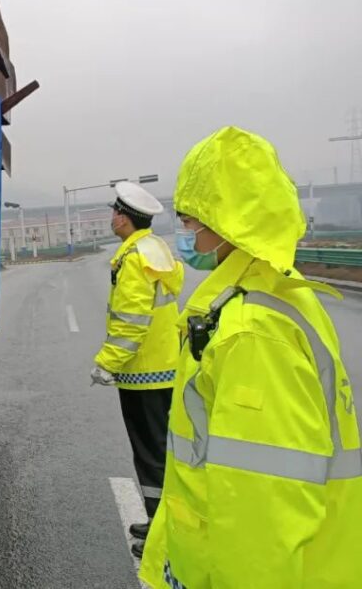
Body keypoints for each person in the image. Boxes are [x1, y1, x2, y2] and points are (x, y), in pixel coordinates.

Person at [140, 127, 362, 588]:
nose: (188, 238)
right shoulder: (273, 294)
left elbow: (260, 511)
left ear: (225, 224)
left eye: (190, 223)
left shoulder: (252, 332)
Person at [91, 180, 184, 557]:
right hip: (164, 367)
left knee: (150, 453)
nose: (111, 218)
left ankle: (162, 536)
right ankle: (160, 521)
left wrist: (106, 363)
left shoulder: (133, 259)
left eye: (115, 212)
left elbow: (131, 321)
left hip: (144, 373)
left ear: (125, 219)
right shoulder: (155, 249)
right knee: (161, 449)